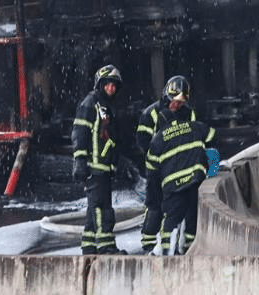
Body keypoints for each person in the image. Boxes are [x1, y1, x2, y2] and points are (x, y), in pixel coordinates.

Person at [146, 97, 216, 255]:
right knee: (192, 217)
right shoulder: (194, 127)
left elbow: (152, 170)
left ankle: (166, 253)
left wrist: (154, 199)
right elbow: (212, 136)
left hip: (173, 186)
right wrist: (213, 167)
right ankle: (188, 249)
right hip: (194, 181)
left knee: (171, 220)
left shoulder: (158, 138)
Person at [136, 75, 197, 253]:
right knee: (155, 206)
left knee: (182, 208)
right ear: (166, 96)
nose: (176, 106)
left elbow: (196, 139)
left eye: (180, 102)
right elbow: (142, 142)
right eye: (173, 101)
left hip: (180, 169)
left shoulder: (188, 113)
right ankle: (149, 244)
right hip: (157, 170)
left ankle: (181, 246)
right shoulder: (150, 113)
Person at [71, 64, 127, 255]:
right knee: (101, 207)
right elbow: (80, 131)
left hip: (104, 167)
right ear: (100, 84)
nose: (111, 88)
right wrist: (80, 160)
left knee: (95, 207)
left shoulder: (108, 108)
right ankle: (106, 246)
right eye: (108, 84)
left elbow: (112, 138)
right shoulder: (90, 103)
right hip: (93, 167)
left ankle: (89, 245)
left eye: (114, 85)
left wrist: (116, 163)